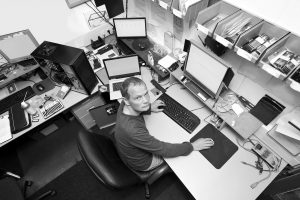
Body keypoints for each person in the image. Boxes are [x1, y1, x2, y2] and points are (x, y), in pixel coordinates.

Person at [114, 77, 214, 172]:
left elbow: (138, 105)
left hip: (130, 151)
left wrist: (149, 108)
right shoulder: (132, 130)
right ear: (126, 100)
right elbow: (164, 149)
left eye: (146, 94)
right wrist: (192, 146)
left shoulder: (124, 106)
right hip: (144, 162)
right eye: (138, 98)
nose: (146, 101)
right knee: (190, 161)